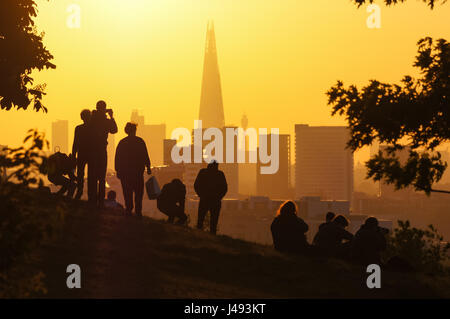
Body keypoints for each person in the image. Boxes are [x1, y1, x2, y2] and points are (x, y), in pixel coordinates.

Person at [115, 122, 151, 217]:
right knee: (138, 193)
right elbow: (145, 155)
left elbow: (117, 158)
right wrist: (148, 167)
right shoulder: (140, 141)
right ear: (134, 130)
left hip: (125, 174)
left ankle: (129, 209)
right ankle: (138, 211)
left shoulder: (122, 142)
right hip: (137, 173)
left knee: (127, 192)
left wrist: (118, 170)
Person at [87, 100, 118, 208]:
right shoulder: (105, 121)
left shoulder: (93, 119)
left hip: (92, 151)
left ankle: (92, 199)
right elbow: (114, 130)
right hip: (100, 150)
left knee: (93, 176)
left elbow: (114, 130)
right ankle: (99, 200)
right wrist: (111, 116)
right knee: (101, 177)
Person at [194, 160, 228, 234]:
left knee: (201, 220)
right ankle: (211, 236)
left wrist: (201, 195)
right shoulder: (220, 174)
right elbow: (224, 188)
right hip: (214, 201)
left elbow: (196, 185)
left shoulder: (203, 172)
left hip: (205, 200)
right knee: (213, 222)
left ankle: (198, 234)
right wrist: (219, 197)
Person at [72, 109, 91, 200]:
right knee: (90, 175)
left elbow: (75, 143)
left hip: (82, 154)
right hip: (90, 154)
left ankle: (80, 192)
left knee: (80, 174)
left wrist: (73, 154)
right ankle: (89, 194)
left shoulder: (79, 128)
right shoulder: (93, 128)